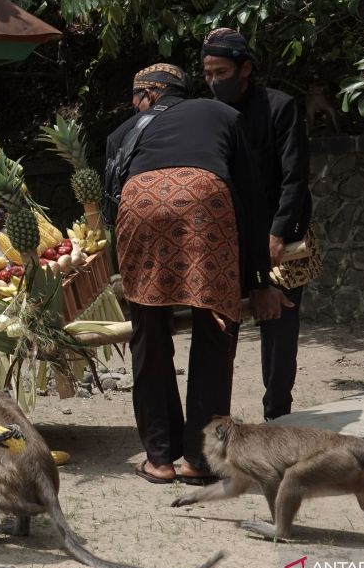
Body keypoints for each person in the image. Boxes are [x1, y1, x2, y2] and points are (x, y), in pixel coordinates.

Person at [103, 63, 291, 485]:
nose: (135, 106)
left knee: (148, 335)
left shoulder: (123, 133)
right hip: (205, 206)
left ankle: (159, 459)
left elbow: (112, 205)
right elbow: (251, 197)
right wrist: (258, 279)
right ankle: (199, 461)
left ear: (150, 93)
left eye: (137, 97)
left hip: (141, 207)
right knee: (213, 328)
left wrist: (129, 276)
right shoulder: (221, 113)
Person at [201, 27, 311, 421]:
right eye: (208, 74)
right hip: (228, 234)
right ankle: (215, 420)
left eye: (222, 73)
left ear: (245, 68)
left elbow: (294, 175)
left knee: (279, 323)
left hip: (283, 230)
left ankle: (277, 415)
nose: (214, 83)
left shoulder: (280, 107)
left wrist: (278, 231)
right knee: (220, 321)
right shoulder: (209, 115)